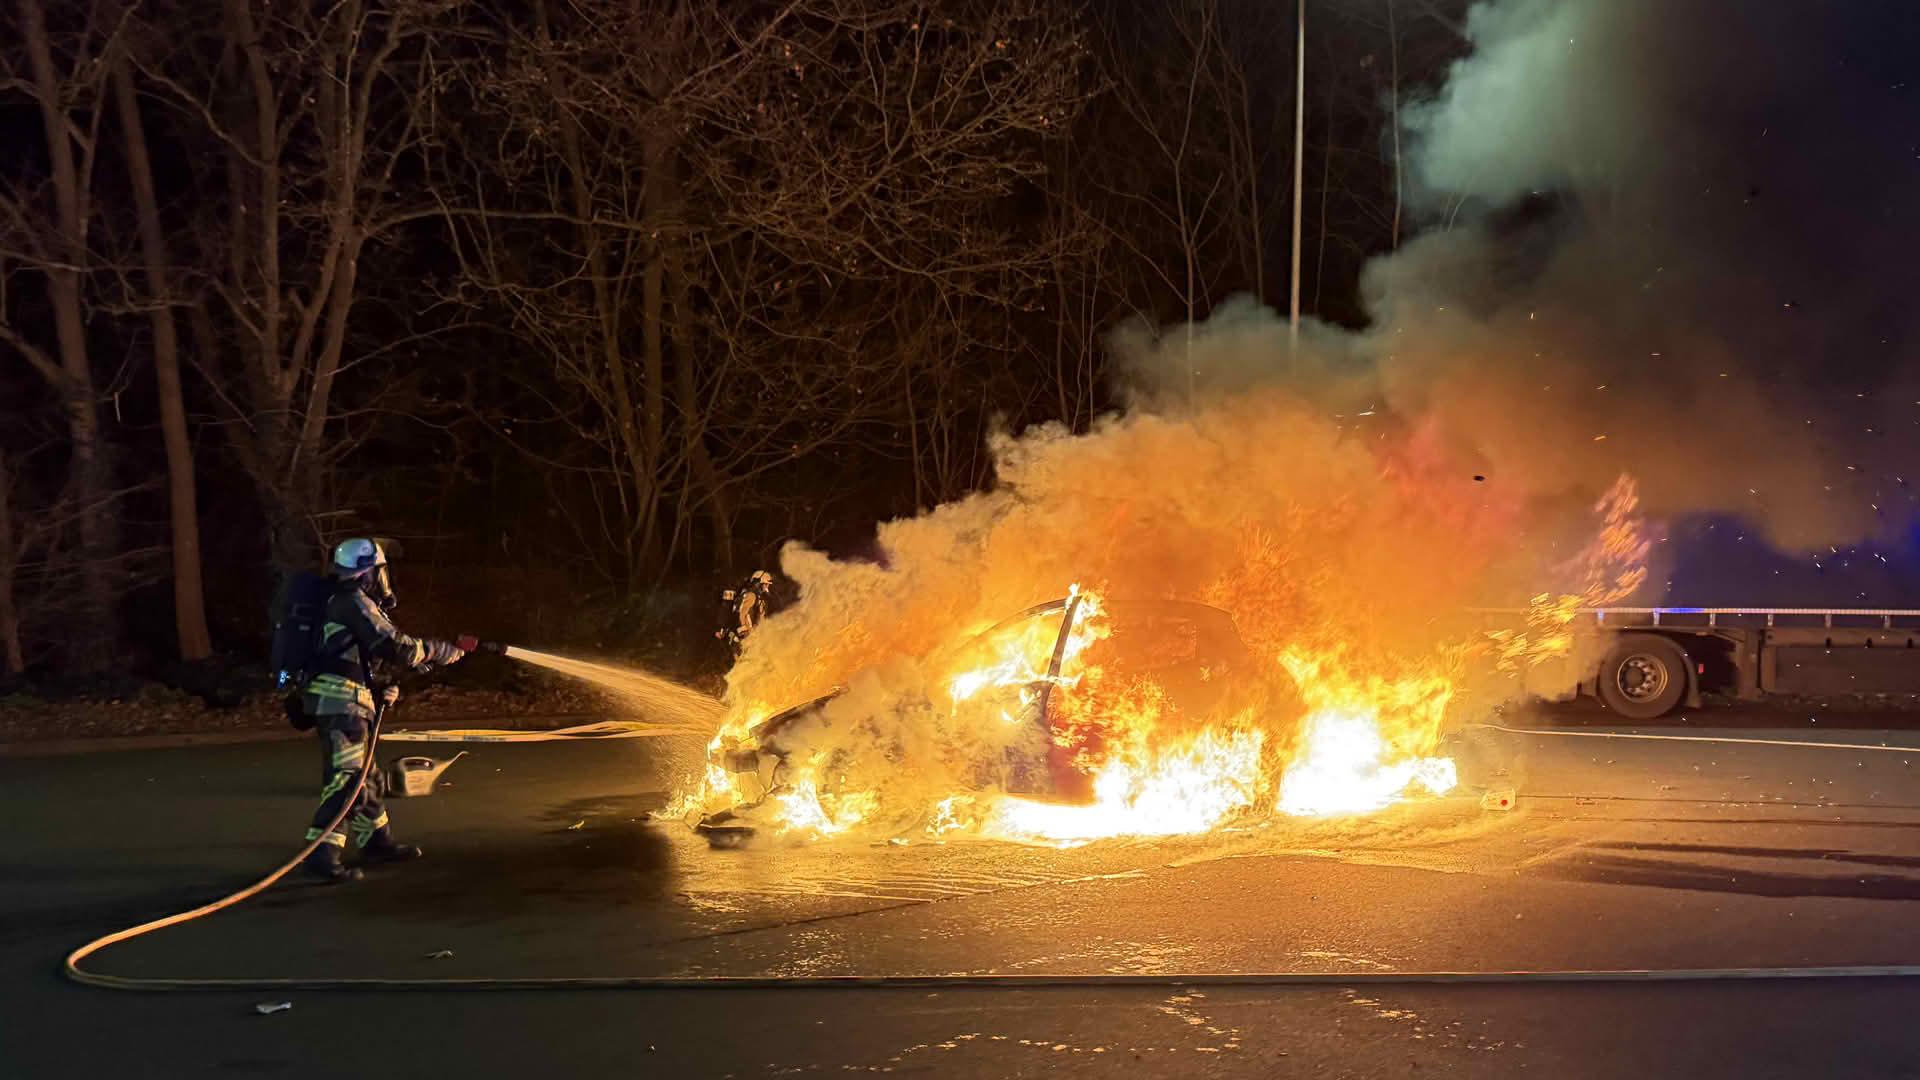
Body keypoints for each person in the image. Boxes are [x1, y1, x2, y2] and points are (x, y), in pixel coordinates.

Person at [299, 538, 473, 883]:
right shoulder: (353, 602)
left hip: (345, 699)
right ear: (370, 573)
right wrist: (435, 650)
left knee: (369, 777)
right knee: (348, 781)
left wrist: (378, 686)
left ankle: (377, 841)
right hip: (340, 704)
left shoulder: (341, 601)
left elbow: (352, 655)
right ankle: (321, 853)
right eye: (380, 571)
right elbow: (394, 645)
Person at [715, 569, 774, 658]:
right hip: (741, 638)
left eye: (768, 585)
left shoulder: (758, 599)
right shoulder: (750, 595)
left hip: (749, 638)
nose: (767, 588)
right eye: (766, 584)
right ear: (758, 583)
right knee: (745, 662)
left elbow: (760, 619)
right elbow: (741, 613)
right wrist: (743, 631)